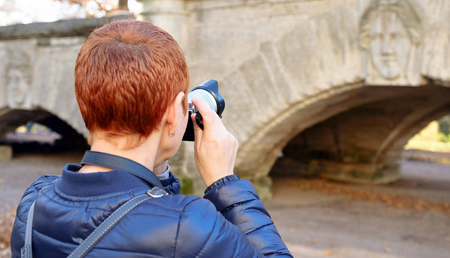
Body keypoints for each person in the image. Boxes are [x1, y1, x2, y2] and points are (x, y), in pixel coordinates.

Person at [10, 19, 292, 257]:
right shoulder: (190, 225)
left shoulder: (34, 202)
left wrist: (156, 162)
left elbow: (139, 206)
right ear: (174, 113)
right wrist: (224, 183)